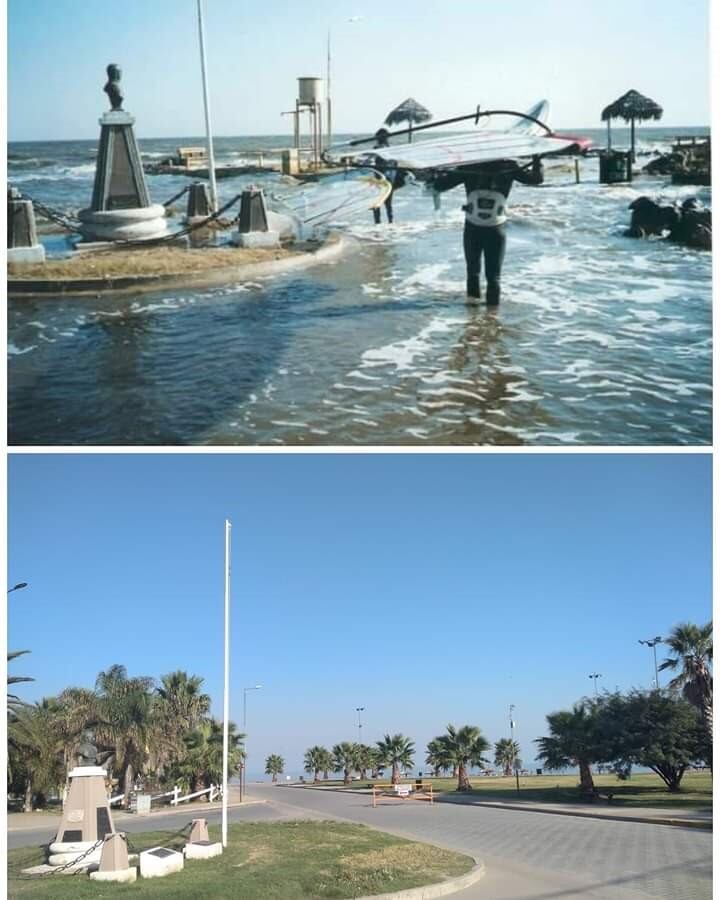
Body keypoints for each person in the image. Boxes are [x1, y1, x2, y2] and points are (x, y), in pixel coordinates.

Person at [429, 156, 544, 304]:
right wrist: (537, 158)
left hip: (473, 227)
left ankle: (473, 317)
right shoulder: (509, 167)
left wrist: (436, 172)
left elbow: (440, 185)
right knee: (494, 277)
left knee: (472, 273)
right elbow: (536, 179)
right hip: (496, 228)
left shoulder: (469, 166)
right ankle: (492, 318)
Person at [370, 128, 408, 225]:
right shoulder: (380, 148)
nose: (379, 139)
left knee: (382, 203)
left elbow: (394, 163)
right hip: (382, 179)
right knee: (382, 203)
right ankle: (384, 223)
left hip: (385, 179)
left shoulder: (385, 149)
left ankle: (384, 223)